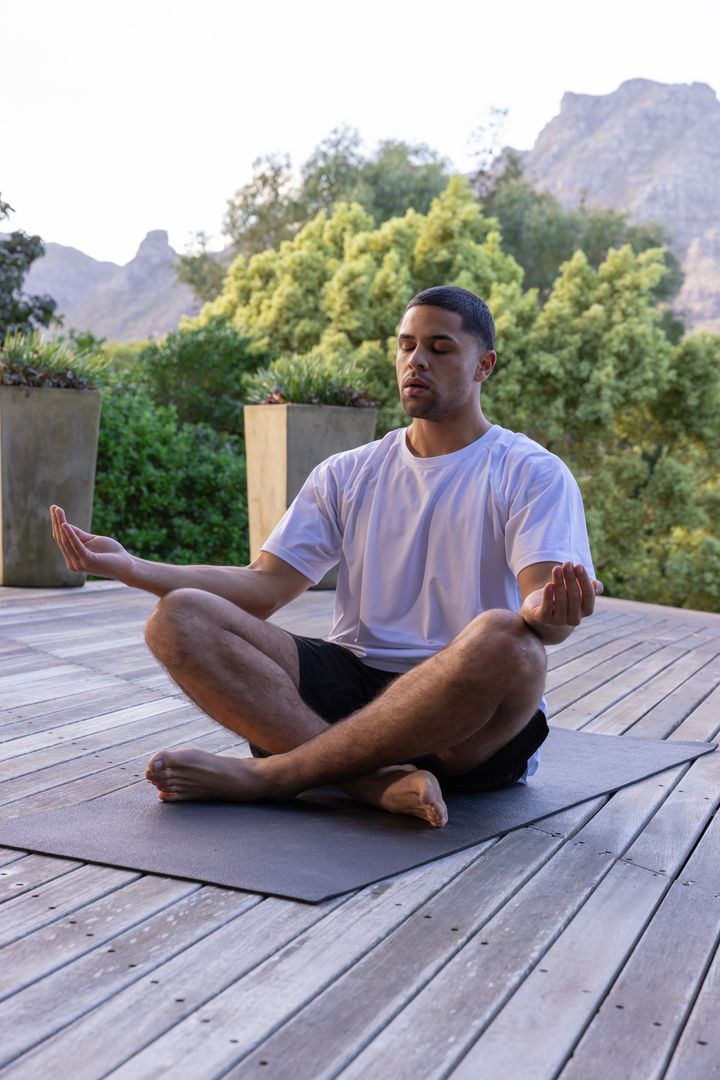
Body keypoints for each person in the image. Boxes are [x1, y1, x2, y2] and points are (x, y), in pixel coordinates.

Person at [51, 285, 602, 829]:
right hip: (351, 693)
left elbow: (539, 611)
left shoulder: (530, 471)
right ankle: (370, 783)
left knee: (510, 642)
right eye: (406, 345)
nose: (416, 361)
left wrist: (549, 614)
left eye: (439, 348)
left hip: (463, 722)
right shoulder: (349, 471)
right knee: (179, 616)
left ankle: (275, 776)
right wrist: (133, 568)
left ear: (484, 365)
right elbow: (263, 587)